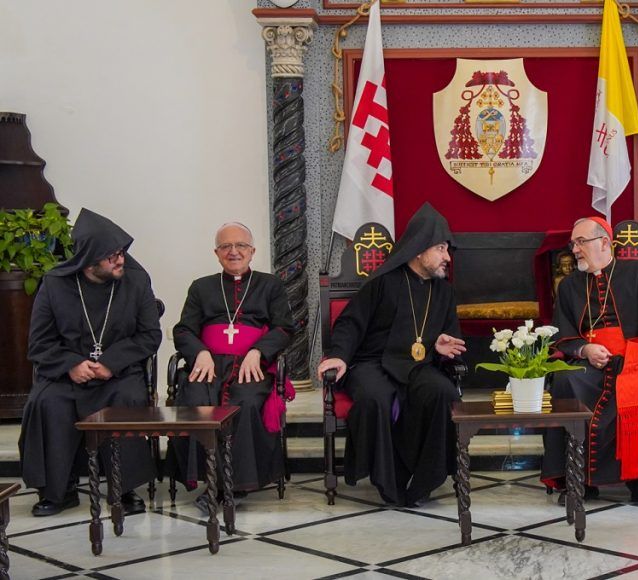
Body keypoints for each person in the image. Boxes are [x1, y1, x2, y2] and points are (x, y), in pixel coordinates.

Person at [317, 203, 467, 507]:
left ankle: (426, 478)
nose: (447, 258)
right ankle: (387, 481)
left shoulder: (444, 293)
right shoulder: (382, 282)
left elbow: (451, 340)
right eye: (441, 249)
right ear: (419, 249)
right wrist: (339, 356)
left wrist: (441, 348)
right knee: (376, 399)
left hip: (419, 364)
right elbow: (351, 323)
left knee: (442, 392)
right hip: (373, 363)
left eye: (447, 249)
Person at [19, 208, 161, 516]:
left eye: (121, 253)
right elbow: (39, 342)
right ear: (89, 259)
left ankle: (123, 489)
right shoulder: (55, 284)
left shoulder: (136, 282)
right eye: (111, 256)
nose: (120, 260)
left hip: (119, 374)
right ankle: (59, 491)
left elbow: (150, 336)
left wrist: (111, 362)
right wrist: (71, 364)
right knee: (47, 402)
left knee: (127, 398)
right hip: (66, 375)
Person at [541, 217, 638, 505]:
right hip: (590, 362)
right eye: (573, 243)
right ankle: (578, 477)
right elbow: (563, 335)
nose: (575, 249)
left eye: (581, 242)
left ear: (605, 243)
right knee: (566, 382)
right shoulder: (570, 285)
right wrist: (584, 350)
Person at [169, 222, 295, 499]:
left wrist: (258, 351)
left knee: (247, 403)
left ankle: (236, 483)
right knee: (197, 400)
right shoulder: (201, 287)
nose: (233, 251)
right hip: (209, 365)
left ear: (252, 251)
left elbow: (284, 327)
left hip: (251, 366)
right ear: (216, 253)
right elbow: (184, 329)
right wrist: (200, 352)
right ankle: (206, 476)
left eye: (240, 246)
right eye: (226, 246)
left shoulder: (269, 285)